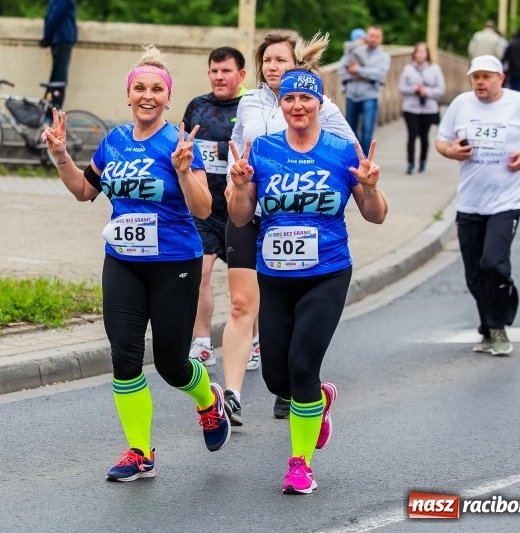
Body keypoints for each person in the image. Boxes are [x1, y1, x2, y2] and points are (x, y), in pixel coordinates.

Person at [42, 45, 231, 482]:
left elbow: (203, 210)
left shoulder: (181, 144)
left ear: (168, 97)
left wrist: (184, 171)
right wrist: (60, 156)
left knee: (171, 365)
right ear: (128, 95)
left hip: (174, 264)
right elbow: (84, 192)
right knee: (124, 356)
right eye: (140, 88)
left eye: (157, 89)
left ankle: (208, 401)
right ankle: (139, 451)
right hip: (123, 262)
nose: (148, 95)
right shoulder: (114, 142)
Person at [227, 33, 388, 494]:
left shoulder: (341, 151)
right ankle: (319, 399)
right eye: (291, 98)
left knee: (301, 365)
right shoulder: (263, 150)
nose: (298, 106)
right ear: (282, 105)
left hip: (327, 272)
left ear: (319, 104)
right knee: (278, 377)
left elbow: (376, 216)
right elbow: (241, 217)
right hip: (274, 274)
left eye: (306, 98)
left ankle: (299, 463)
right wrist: (240, 188)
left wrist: (371, 187)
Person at [225, 31, 357, 422]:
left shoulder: (321, 106)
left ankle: (303, 390)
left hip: (306, 218)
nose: (272, 67)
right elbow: (238, 147)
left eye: (280, 61)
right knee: (240, 304)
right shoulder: (249, 101)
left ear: (296, 65)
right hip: (253, 208)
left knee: (298, 361)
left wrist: (357, 181)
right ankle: (238, 391)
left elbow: (350, 157)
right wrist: (236, 182)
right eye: (266, 61)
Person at [435, 55, 520, 356]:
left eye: (487, 77)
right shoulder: (461, 104)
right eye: (476, 77)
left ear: (500, 78)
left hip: (506, 200)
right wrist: (451, 152)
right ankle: (487, 327)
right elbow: (441, 141)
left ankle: (499, 326)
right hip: (470, 201)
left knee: (493, 263)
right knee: (474, 273)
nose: (480, 83)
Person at [182, 47, 247, 372]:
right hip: (205, 212)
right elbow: (181, 146)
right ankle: (203, 343)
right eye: (214, 71)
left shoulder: (249, 108)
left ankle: (253, 341)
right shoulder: (197, 106)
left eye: (226, 71)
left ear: (241, 75)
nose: (219, 77)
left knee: (247, 286)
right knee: (201, 273)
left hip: (240, 210)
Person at [339, 25, 391, 154]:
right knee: (350, 130)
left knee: (367, 130)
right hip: (351, 95)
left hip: (369, 96)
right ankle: (353, 159)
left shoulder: (383, 56)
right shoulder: (354, 50)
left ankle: (366, 161)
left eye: (377, 37)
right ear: (366, 36)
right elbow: (342, 70)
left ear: (381, 39)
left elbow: (379, 74)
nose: (373, 39)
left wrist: (358, 71)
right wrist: (364, 75)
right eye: (371, 36)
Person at [398, 42, 446, 174]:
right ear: (414, 54)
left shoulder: (435, 69)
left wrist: (427, 92)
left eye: (423, 52)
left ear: (427, 54)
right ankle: (410, 163)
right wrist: (414, 89)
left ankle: (423, 161)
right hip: (411, 107)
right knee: (412, 135)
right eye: (418, 52)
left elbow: (441, 89)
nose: (420, 55)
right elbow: (401, 88)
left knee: (424, 136)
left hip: (428, 107)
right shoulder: (408, 69)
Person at [39, 0, 77, 110]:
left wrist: (47, 37)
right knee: (56, 77)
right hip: (62, 37)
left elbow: (55, 15)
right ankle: (48, 110)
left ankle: (52, 111)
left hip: (62, 37)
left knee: (58, 78)